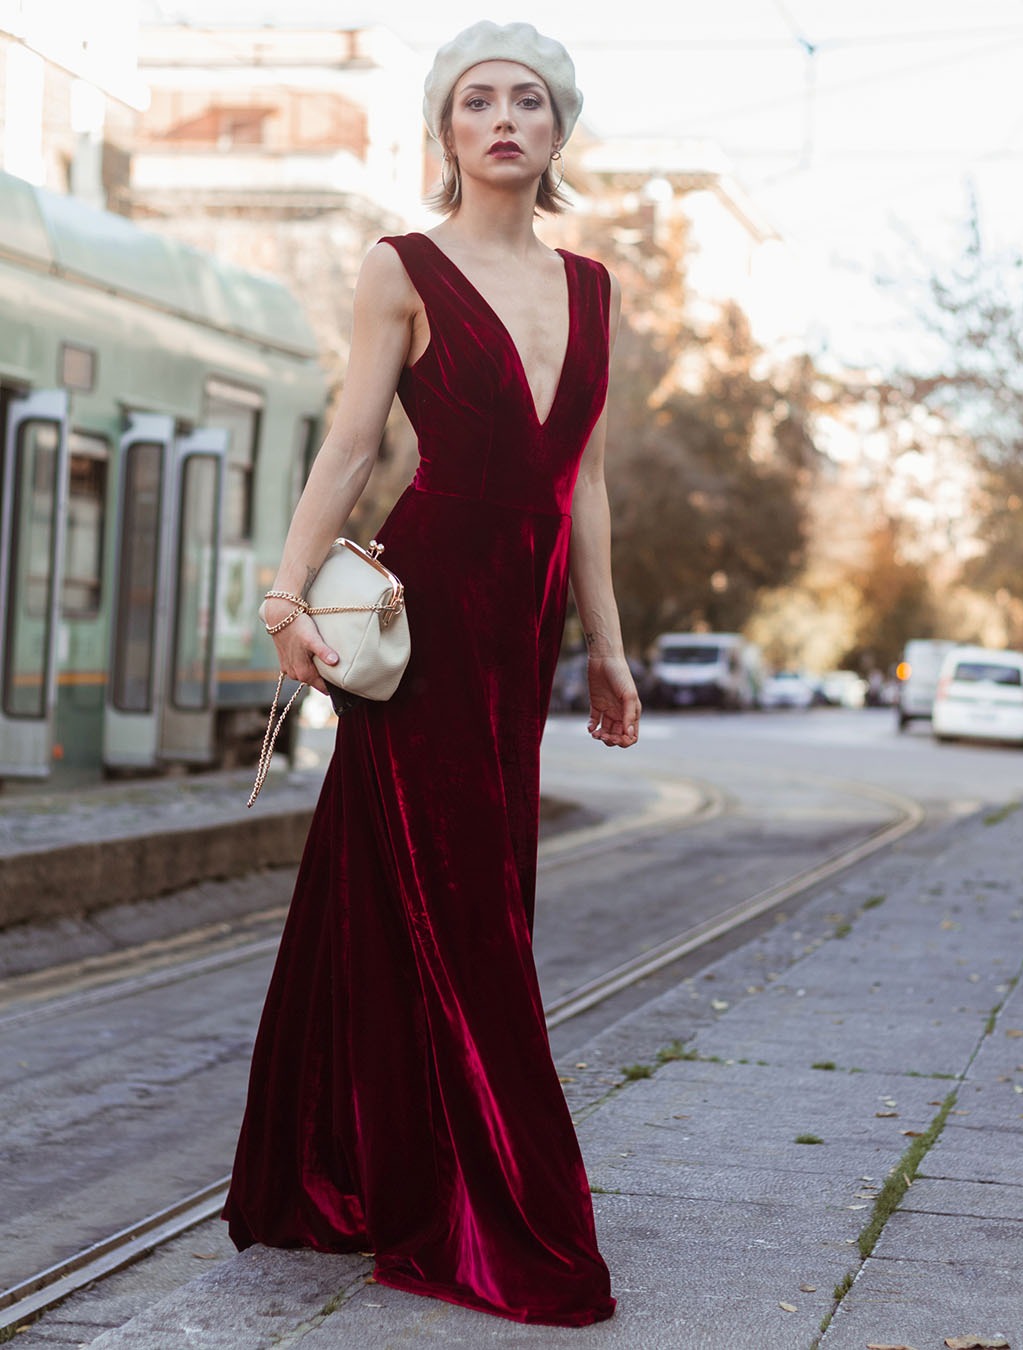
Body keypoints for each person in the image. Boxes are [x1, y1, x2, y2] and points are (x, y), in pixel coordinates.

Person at [222, 19, 639, 1328]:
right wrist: (285, 594)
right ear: (445, 131)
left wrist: (610, 643)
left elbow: (588, 483)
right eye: (477, 101)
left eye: (529, 100)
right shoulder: (398, 268)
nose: (504, 119)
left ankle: (336, 1161)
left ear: (559, 129)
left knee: (447, 878)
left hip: (529, 618)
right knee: (461, 897)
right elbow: (353, 446)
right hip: (435, 594)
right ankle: (507, 1204)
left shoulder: (594, 288)